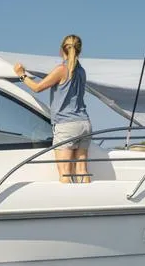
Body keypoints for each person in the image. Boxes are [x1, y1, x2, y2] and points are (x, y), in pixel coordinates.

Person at [14, 34, 92, 183]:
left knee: (65, 173)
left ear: (61, 49)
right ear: (79, 51)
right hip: (84, 123)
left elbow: (37, 88)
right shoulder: (82, 72)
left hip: (66, 125)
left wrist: (21, 75)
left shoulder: (62, 69)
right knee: (82, 170)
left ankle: (69, 203)